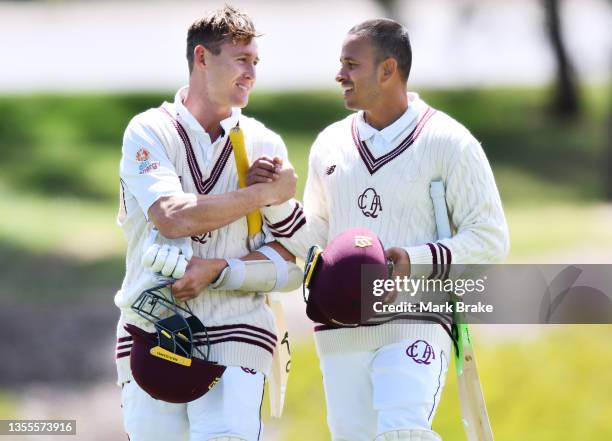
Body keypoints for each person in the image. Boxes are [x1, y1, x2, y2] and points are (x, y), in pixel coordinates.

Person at [259, 19, 510, 441]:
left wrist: (414, 260)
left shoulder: (449, 142)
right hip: (340, 328)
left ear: (388, 70)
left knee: (403, 433)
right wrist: (275, 202)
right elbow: (320, 241)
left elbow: (489, 239)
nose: (340, 75)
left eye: (350, 64)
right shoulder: (330, 144)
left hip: (416, 319)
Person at [113, 6, 302, 441]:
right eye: (241, 60)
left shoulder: (264, 143)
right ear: (202, 58)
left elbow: (293, 258)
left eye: (256, 62)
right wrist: (260, 194)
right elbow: (172, 217)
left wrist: (220, 271)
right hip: (150, 332)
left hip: (237, 334)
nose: (251, 73)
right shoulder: (149, 130)